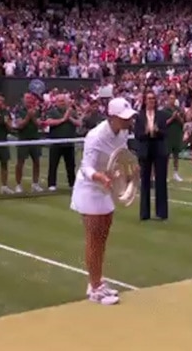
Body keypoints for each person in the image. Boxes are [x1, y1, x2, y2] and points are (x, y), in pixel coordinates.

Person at [70, 97, 137, 305]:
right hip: (90, 187)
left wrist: (131, 170)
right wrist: (99, 177)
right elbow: (86, 167)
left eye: (130, 118)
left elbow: (122, 156)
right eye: (124, 118)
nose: (129, 122)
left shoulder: (123, 133)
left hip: (106, 186)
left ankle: (96, 282)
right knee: (93, 236)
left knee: (103, 234)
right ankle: (95, 288)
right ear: (112, 117)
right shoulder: (95, 136)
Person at [134, 91, 169, 221]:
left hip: (159, 148)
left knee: (161, 181)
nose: (151, 101)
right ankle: (145, 213)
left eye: (153, 99)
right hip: (145, 149)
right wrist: (146, 132)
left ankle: (162, 213)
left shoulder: (161, 115)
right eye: (149, 99)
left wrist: (157, 131)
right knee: (145, 181)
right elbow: (137, 135)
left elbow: (166, 133)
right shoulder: (139, 116)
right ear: (145, 101)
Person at [44, 94, 81, 191]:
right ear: (56, 102)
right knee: (53, 164)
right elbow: (49, 122)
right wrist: (63, 119)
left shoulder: (71, 111)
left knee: (71, 165)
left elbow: (79, 123)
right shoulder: (52, 111)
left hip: (69, 142)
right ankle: (51, 184)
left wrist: (69, 118)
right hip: (56, 142)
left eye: (63, 101)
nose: (62, 103)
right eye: (60, 101)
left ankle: (72, 184)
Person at [14, 92, 44, 193]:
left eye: (30, 98)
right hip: (23, 139)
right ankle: (18, 184)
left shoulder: (37, 110)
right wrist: (28, 116)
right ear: (23, 99)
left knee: (37, 162)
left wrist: (33, 117)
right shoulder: (19, 110)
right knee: (20, 163)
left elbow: (39, 125)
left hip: (35, 139)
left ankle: (35, 184)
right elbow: (19, 125)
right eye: (27, 98)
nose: (29, 100)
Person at [164, 92, 185, 182]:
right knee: (167, 156)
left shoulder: (179, 110)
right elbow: (164, 123)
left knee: (176, 155)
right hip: (168, 135)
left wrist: (178, 117)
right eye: (170, 98)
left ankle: (175, 173)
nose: (172, 100)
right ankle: (165, 175)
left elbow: (183, 122)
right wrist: (173, 117)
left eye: (173, 98)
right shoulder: (165, 110)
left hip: (177, 135)